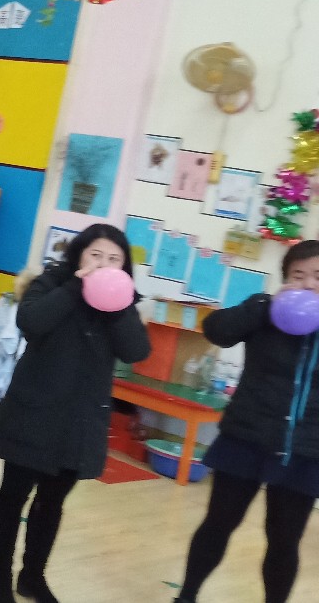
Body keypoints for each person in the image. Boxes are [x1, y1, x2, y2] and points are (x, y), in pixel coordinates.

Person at [0, 225, 150, 603]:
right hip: (34, 411)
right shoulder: (52, 282)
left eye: (114, 259)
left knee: (52, 502)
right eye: (95, 255)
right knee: (12, 496)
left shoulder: (122, 301)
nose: (103, 265)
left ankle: (33, 576)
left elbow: (136, 351)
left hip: (80, 420)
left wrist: (119, 307)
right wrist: (76, 287)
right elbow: (30, 322)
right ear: (79, 255)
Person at [172, 240, 319, 603]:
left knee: (284, 540)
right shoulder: (264, 311)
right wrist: (264, 307)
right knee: (218, 524)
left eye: (318, 276)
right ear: (285, 279)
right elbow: (216, 330)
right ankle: (186, 596)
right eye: (298, 275)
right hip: (246, 439)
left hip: (304, 450)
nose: (308, 284)